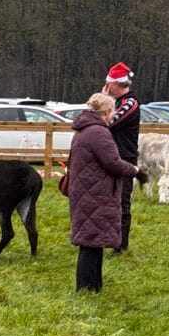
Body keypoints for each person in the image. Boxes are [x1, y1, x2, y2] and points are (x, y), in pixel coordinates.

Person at [67, 92, 141, 292]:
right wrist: (134, 170)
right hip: (95, 194)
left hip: (86, 191)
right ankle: (87, 289)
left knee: (92, 242)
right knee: (91, 243)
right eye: (113, 110)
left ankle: (93, 286)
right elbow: (112, 162)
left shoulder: (84, 130)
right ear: (107, 112)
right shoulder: (99, 133)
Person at [103, 62, 140, 254]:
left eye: (109, 84)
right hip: (113, 157)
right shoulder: (119, 103)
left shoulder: (130, 104)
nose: (108, 87)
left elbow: (108, 122)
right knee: (110, 201)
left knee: (122, 203)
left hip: (125, 158)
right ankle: (110, 239)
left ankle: (121, 244)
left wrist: (103, 100)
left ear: (118, 84)